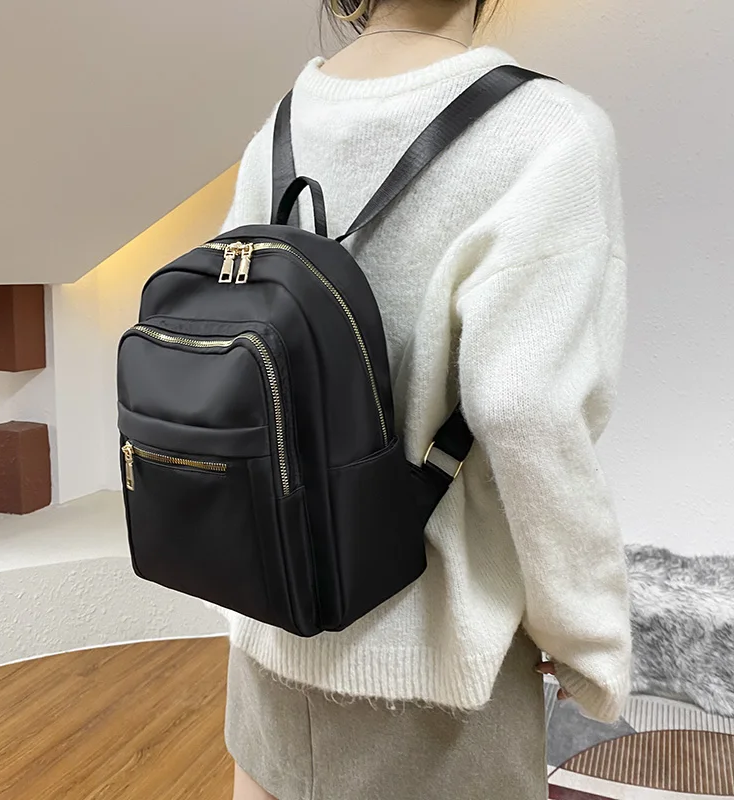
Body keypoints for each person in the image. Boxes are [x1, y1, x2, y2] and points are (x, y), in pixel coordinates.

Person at [220, 1, 632, 798]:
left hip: (271, 622)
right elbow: (525, 408)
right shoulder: (551, 130)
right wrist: (584, 634)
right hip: (436, 674)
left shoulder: (282, 127)